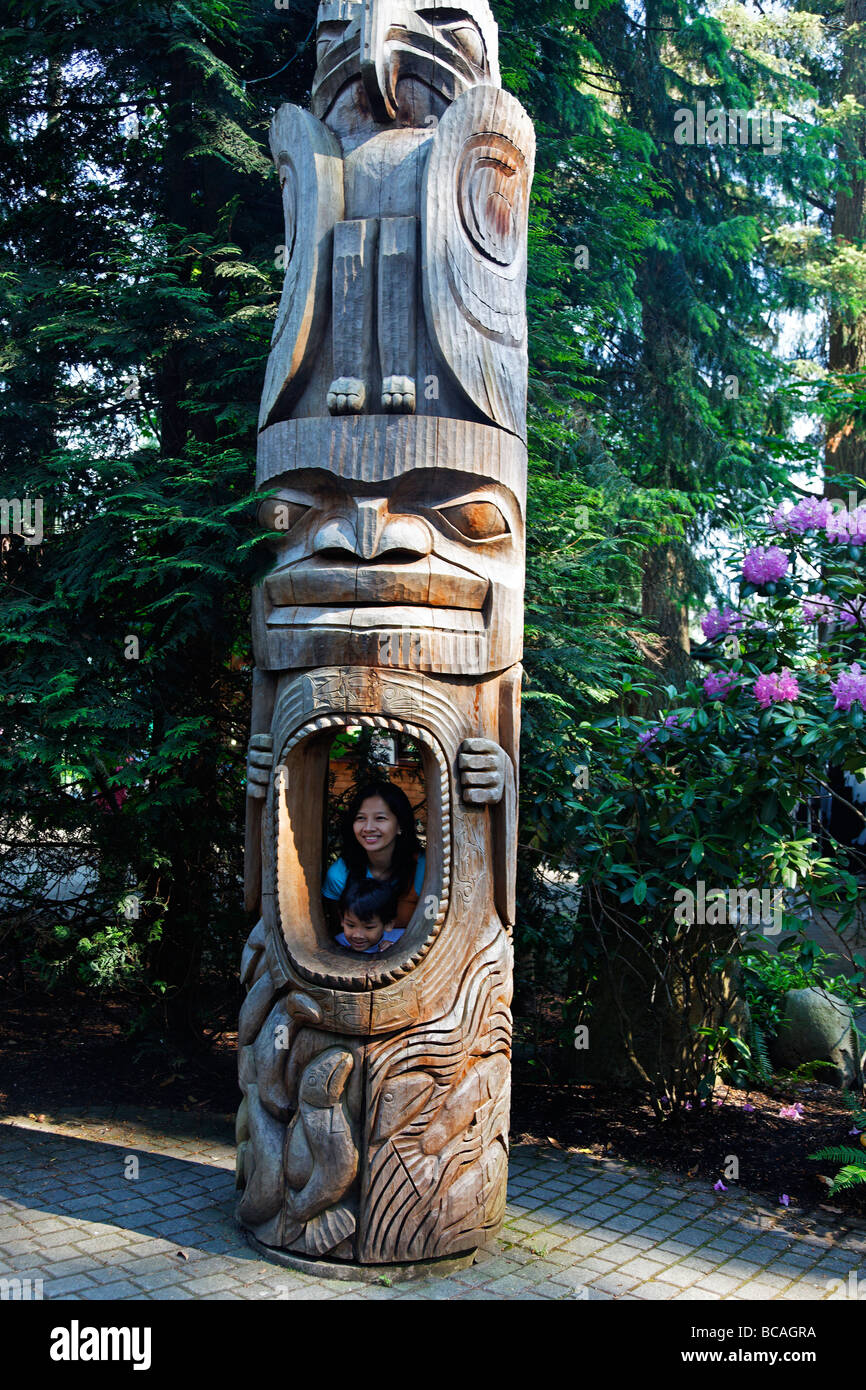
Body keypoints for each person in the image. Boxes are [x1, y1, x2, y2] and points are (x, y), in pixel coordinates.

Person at [323, 780, 425, 929]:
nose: (368, 828)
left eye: (380, 818)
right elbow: (338, 931)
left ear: (400, 825)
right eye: (360, 818)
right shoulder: (339, 875)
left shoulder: (424, 869)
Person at [335, 879, 404, 955]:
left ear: (388, 924)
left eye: (369, 927)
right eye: (351, 925)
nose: (357, 935)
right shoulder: (338, 943)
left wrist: (395, 949)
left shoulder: (401, 939)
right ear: (342, 920)